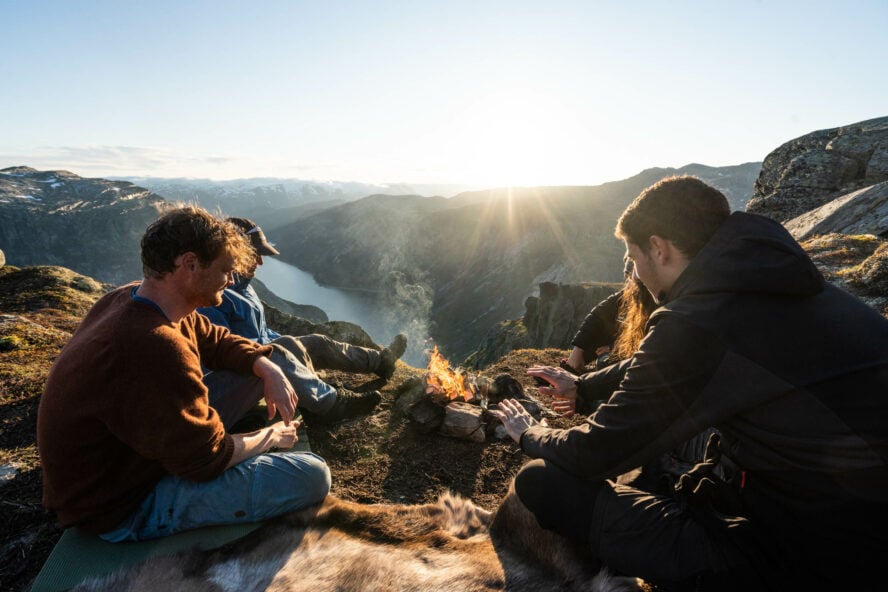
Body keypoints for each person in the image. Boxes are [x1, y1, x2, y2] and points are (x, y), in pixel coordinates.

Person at [491, 176, 888, 589]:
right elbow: (678, 366)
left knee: (541, 482)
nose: (636, 274)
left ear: (658, 248)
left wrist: (529, 433)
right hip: (844, 511)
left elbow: (594, 453)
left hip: (810, 554)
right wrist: (584, 387)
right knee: (684, 441)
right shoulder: (778, 280)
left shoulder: (700, 318)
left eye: (633, 258)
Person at [38, 206, 331, 542]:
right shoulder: (153, 346)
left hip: (135, 451)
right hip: (119, 504)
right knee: (311, 476)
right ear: (189, 264)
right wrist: (273, 437)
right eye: (225, 270)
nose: (231, 281)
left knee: (254, 367)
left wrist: (268, 367)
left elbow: (215, 339)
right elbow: (208, 461)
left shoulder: (135, 300)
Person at [197, 217, 407, 426]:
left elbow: (263, 334)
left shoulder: (244, 288)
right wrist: (283, 351)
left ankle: (380, 362)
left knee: (314, 342)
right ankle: (331, 406)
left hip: (258, 361)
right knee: (280, 352)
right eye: (254, 255)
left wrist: (294, 347)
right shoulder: (214, 298)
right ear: (234, 253)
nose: (260, 262)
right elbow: (218, 358)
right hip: (226, 388)